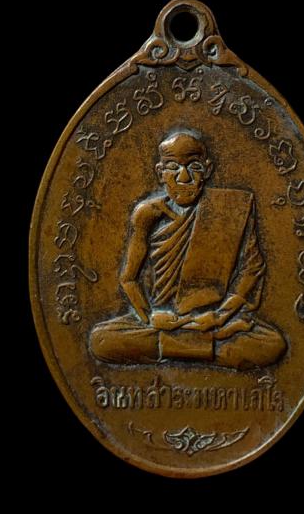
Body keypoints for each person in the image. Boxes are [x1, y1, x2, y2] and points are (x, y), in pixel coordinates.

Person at [89, 129, 286, 370]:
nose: (183, 177)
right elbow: (128, 279)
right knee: (100, 340)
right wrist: (150, 317)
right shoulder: (147, 214)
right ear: (160, 173)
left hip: (212, 318)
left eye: (194, 166)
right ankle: (209, 345)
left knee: (272, 344)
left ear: (208, 170)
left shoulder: (232, 208)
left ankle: (176, 345)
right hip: (163, 322)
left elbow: (252, 269)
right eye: (173, 167)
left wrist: (220, 316)